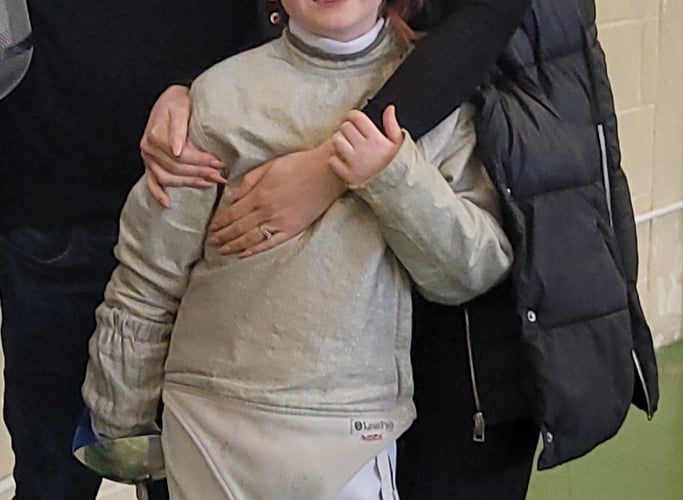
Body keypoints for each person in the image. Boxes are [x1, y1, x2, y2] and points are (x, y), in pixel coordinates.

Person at [0, 1, 529, 499]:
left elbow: (471, 267)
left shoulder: (434, 102)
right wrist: (123, 422)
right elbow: (149, 279)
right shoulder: (218, 100)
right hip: (207, 424)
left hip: (352, 434)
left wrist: (392, 177)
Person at [144, 1, 659, 499]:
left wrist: (330, 167)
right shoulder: (234, 94)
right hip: (295, 364)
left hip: (481, 248)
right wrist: (193, 85)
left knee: (462, 449)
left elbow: (488, 15)